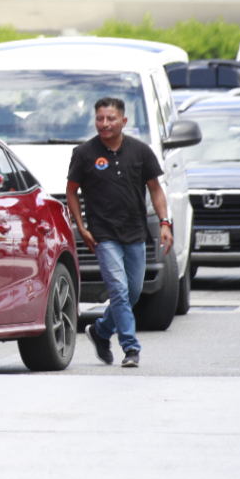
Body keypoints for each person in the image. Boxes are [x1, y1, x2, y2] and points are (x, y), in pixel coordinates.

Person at [67, 97, 173, 369]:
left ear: (123, 121)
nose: (104, 124)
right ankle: (131, 348)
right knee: (119, 291)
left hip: (135, 232)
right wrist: (81, 226)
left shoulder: (140, 151)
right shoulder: (84, 153)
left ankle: (101, 331)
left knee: (133, 292)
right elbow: (71, 190)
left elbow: (155, 188)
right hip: (103, 234)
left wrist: (164, 222)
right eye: (100, 118)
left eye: (111, 119)